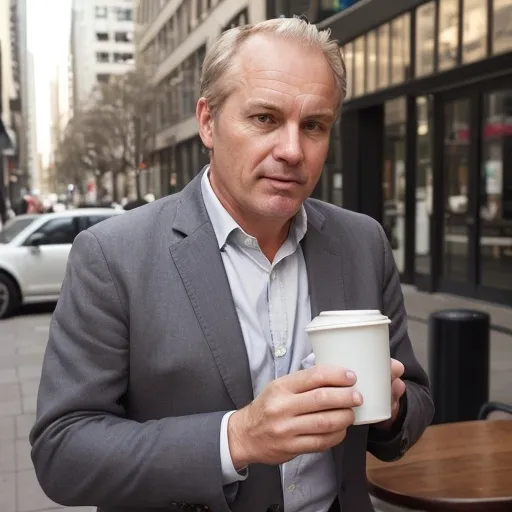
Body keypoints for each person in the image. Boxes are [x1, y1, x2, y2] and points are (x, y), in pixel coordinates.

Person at [30, 17, 434, 512]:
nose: (291, 150)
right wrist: (236, 438)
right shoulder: (113, 256)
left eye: (313, 126)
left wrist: (391, 412)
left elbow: (415, 398)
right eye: (265, 118)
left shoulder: (362, 241)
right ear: (207, 122)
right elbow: (62, 452)